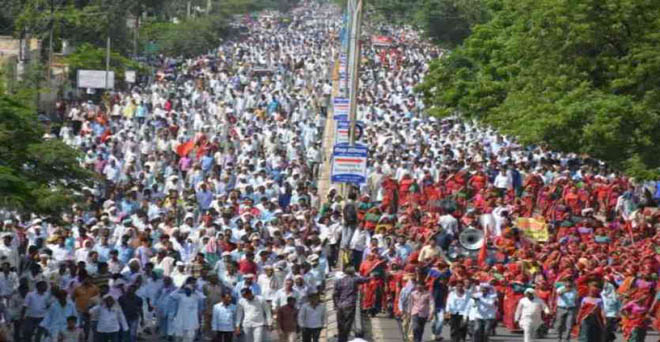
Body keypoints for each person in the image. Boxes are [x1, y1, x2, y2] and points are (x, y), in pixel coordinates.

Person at [333, 266, 369, 342]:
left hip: (340, 305)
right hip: (349, 305)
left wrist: (336, 304)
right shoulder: (354, 279)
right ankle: (344, 339)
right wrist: (370, 275)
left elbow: (334, 294)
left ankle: (340, 339)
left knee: (340, 324)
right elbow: (365, 280)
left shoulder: (338, 281)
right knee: (347, 324)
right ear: (353, 273)